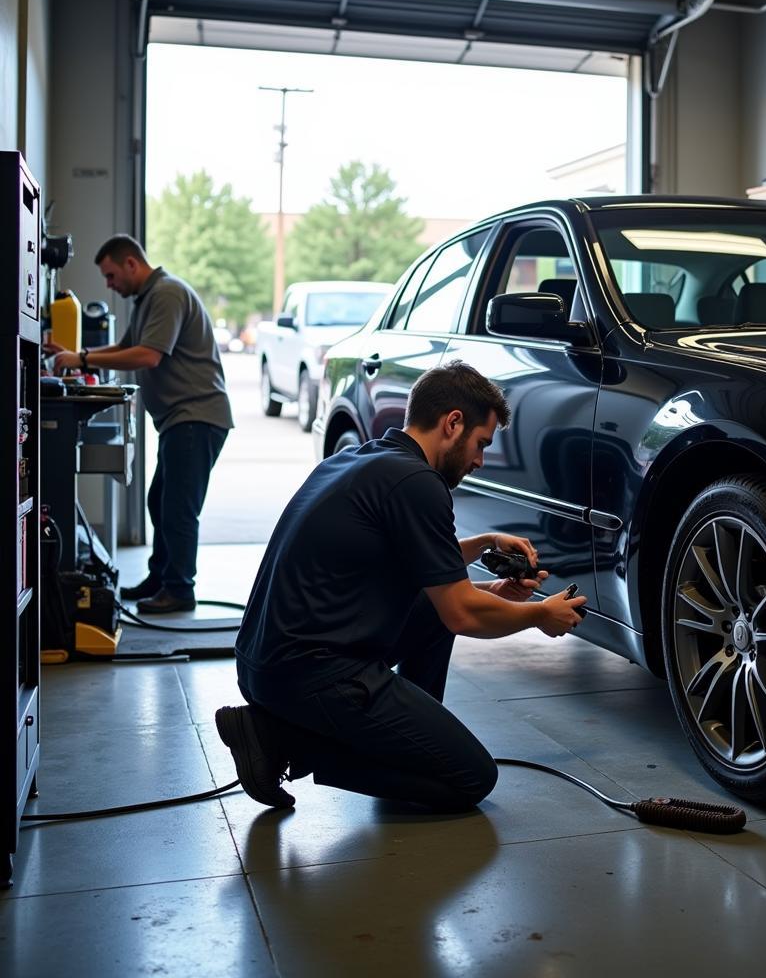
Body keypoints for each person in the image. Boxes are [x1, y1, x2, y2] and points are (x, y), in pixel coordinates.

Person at [216, 361, 587, 811]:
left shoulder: (363, 460)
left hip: (266, 667)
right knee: (471, 778)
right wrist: (538, 616)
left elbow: (424, 565)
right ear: (453, 422)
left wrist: (488, 553)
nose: (478, 461)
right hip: (311, 677)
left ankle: (404, 737)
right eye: (480, 444)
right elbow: (461, 613)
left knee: (434, 608)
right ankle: (279, 741)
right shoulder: (418, 483)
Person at [45, 234, 234, 614]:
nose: (110, 285)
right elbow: (122, 347)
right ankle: (161, 578)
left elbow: (148, 356)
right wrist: (75, 356)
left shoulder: (167, 294)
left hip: (197, 417)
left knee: (178, 507)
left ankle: (179, 590)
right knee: (159, 501)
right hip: (182, 420)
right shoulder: (149, 299)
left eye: (111, 275)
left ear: (131, 263)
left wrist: (81, 361)